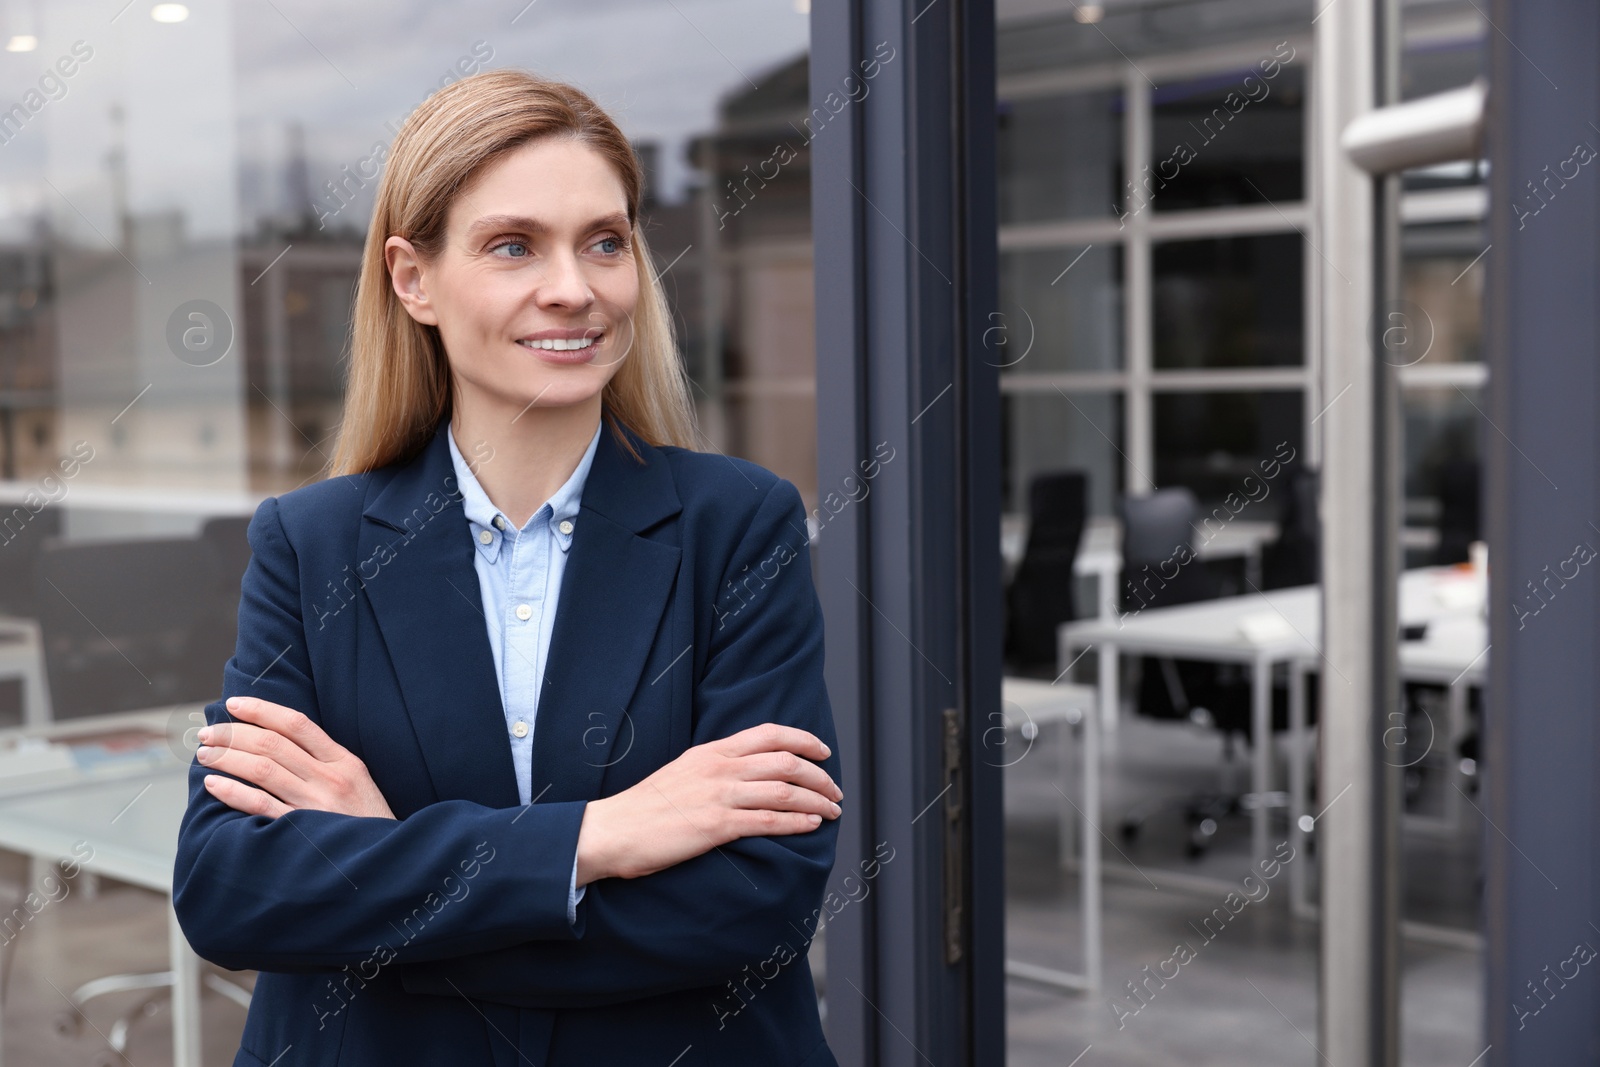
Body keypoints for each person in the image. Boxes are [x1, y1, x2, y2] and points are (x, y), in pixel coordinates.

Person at [172, 68, 844, 1067]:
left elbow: (754, 900)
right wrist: (599, 839)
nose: (574, 286)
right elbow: (233, 890)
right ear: (414, 278)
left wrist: (381, 869)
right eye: (513, 245)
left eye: (604, 242)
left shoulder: (738, 525)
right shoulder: (309, 544)